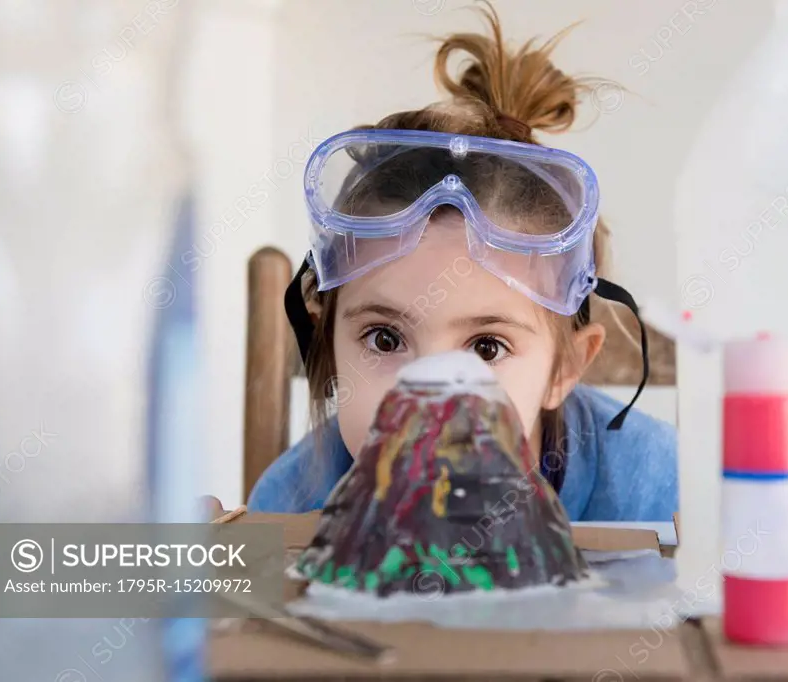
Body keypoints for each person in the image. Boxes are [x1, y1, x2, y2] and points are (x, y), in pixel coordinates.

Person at [248, 3, 677, 521]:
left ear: (564, 367)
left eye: (486, 348)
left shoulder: (659, 492)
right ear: (329, 342)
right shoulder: (290, 507)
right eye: (385, 338)